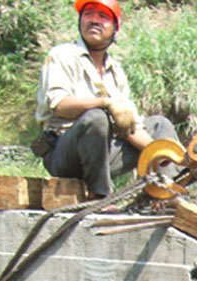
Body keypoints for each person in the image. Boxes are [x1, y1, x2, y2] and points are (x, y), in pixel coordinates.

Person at [34, 0, 179, 200]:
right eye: (89, 14)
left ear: (115, 29)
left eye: (103, 17)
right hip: (65, 154)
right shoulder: (62, 55)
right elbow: (59, 106)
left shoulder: (116, 72)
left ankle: (168, 193)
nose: (94, 21)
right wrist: (106, 103)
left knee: (159, 125)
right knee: (96, 117)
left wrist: (165, 154)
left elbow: (130, 128)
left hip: (102, 157)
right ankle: (99, 195)